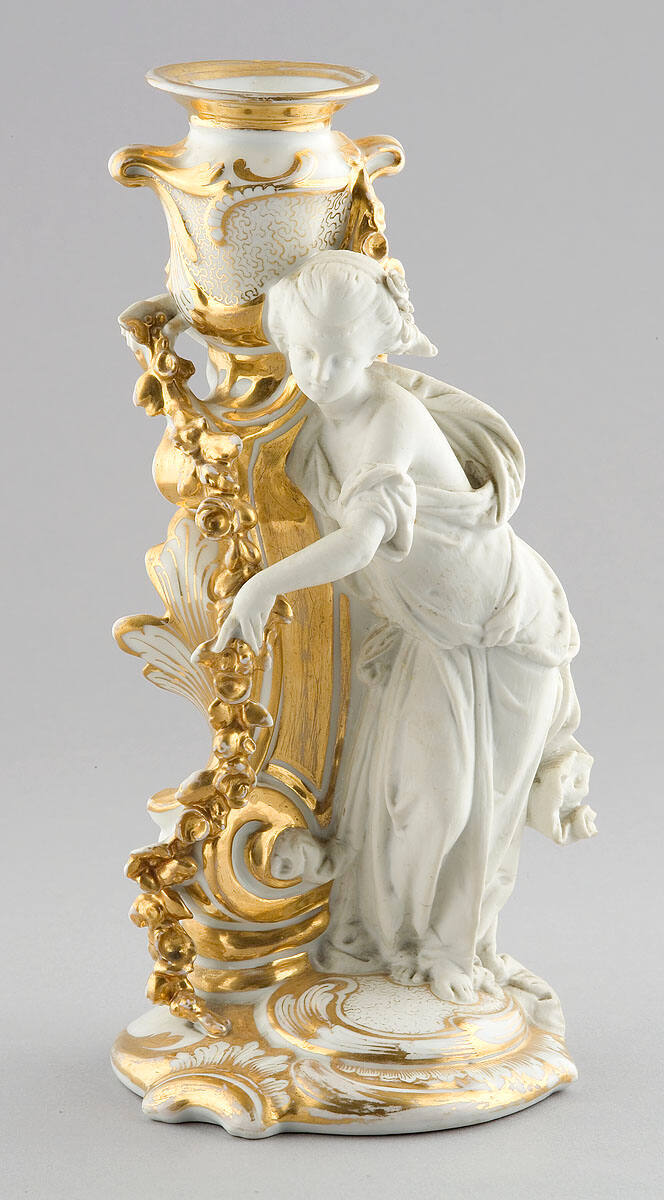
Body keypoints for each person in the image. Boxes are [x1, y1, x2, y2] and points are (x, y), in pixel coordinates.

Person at [194, 249, 596, 1003]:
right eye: (304, 354)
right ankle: (397, 943)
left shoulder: (390, 416)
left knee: (485, 808)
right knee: (424, 802)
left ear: (375, 348)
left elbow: (360, 542)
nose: (319, 373)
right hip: (428, 633)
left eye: (340, 356)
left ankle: (457, 952)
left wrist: (258, 591)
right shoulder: (314, 421)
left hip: (510, 628)